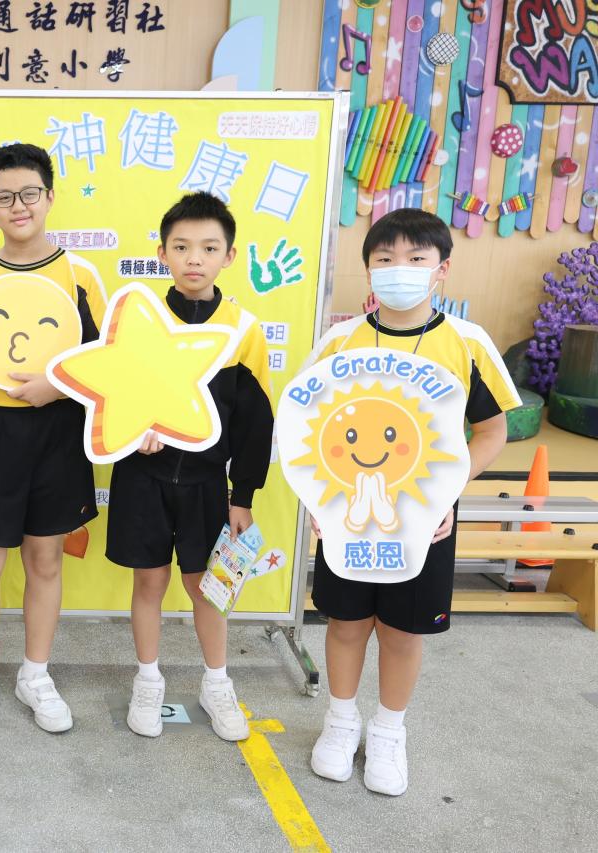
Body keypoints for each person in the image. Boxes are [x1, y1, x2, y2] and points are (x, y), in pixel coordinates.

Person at [306, 208, 517, 795]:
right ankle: (340, 724)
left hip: (426, 521)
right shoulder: (341, 340)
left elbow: (492, 431)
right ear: (369, 270)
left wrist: (446, 493)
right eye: (385, 258)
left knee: (402, 631)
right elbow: (307, 430)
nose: (400, 268)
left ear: (441, 269)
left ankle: (388, 732)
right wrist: (317, 499)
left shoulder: (467, 342)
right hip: (348, 514)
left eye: (416, 258)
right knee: (346, 623)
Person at [0, 143, 107, 734]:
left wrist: (56, 388)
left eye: (29, 193)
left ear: (49, 197)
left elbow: (104, 362)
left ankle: (35, 673)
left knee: (44, 558)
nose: (19, 205)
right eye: (4, 196)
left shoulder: (80, 275)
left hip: (57, 433)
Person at [105, 192, 274, 742]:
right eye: (180, 247)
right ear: (162, 253)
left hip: (207, 484)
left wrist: (242, 495)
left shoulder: (243, 329)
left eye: (208, 247)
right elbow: (111, 395)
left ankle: (217, 683)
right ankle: (148, 680)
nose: (194, 258)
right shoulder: (140, 321)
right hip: (142, 480)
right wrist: (133, 435)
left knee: (208, 588)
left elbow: (256, 422)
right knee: (149, 582)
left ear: (229, 255)